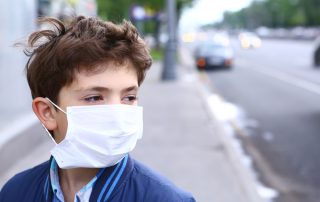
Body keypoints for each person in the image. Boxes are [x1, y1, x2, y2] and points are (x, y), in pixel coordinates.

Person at [0, 16, 195, 202]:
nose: (117, 114)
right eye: (94, 97)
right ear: (47, 112)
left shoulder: (167, 198)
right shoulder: (15, 192)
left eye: (129, 97)